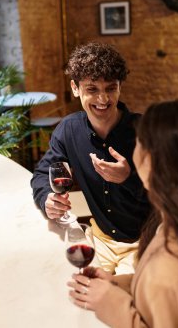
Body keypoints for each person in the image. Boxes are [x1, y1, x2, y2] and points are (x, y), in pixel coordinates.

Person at [67, 99, 178, 328]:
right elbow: (162, 299)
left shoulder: (171, 273)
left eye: (139, 144)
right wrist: (119, 284)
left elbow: (168, 288)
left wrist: (113, 304)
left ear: (153, 164)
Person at [31, 42, 151, 274]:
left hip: (144, 242)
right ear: (75, 88)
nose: (103, 99)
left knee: (122, 300)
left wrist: (129, 178)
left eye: (110, 88)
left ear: (120, 87)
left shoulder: (145, 130)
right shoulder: (68, 130)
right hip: (100, 239)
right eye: (92, 89)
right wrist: (47, 198)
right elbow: (41, 174)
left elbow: (171, 195)